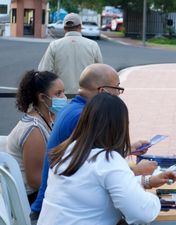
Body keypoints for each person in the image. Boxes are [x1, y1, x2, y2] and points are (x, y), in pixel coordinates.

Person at [31, 63, 157, 217]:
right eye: (117, 88)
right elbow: (141, 211)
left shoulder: (73, 110)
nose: (119, 94)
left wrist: (129, 151)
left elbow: (90, 173)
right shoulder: (83, 117)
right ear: (103, 92)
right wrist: (137, 172)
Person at [37, 93, 176, 225]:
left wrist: (146, 181)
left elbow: (94, 187)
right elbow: (142, 212)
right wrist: (156, 199)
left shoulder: (68, 151)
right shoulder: (108, 160)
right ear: (118, 128)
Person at [6, 70, 66, 204]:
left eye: (63, 92)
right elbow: (35, 180)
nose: (63, 97)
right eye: (58, 93)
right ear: (42, 97)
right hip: (29, 198)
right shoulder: (33, 129)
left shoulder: (49, 118)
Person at [38, 13, 103, 94]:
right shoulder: (92, 45)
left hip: (61, 96)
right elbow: (100, 73)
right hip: (85, 97)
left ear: (64, 28)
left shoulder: (54, 45)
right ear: (80, 27)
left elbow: (44, 71)